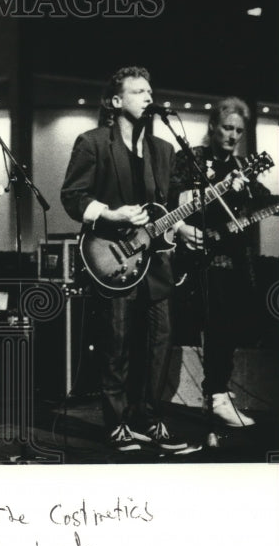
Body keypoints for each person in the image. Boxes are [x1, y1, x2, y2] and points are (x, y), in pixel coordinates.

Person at [169, 96, 279, 429]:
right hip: (188, 256)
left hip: (230, 260)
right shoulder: (190, 160)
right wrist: (184, 227)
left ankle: (217, 396)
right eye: (227, 128)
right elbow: (172, 199)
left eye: (238, 131)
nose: (232, 136)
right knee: (179, 326)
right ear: (213, 126)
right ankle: (158, 403)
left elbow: (263, 203)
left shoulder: (242, 167)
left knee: (225, 328)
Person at [60, 66, 189, 453]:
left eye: (150, 90)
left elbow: (167, 208)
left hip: (156, 262)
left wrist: (183, 228)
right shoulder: (93, 142)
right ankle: (116, 423)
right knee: (116, 343)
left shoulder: (164, 151)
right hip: (114, 258)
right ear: (116, 101)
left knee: (159, 342)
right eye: (138, 91)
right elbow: (72, 196)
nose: (148, 96)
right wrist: (111, 214)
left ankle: (148, 418)